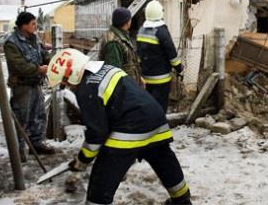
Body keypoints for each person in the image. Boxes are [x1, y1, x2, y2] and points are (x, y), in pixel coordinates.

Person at [47, 48, 192, 205]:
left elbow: (96, 134)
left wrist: (81, 161)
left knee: (103, 175)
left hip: (131, 127)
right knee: (163, 160)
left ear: (73, 72)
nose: (66, 85)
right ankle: (182, 200)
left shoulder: (86, 87)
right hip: (155, 118)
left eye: (65, 80)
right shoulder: (107, 69)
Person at [4, 11, 55, 162]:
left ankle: (37, 144)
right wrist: (38, 69)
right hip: (22, 86)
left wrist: (52, 62)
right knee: (21, 118)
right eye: (33, 23)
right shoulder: (11, 42)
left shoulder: (34, 38)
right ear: (23, 25)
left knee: (38, 115)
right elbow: (18, 66)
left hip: (35, 84)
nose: (36, 26)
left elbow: (44, 54)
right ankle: (18, 150)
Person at [137, 0, 183, 112]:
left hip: (146, 78)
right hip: (161, 79)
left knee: (149, 106)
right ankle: (160, 128)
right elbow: (171, 52)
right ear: (160, 13)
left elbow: (139, 54)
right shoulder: (161, 31)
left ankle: (150, 126)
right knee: (160, 108)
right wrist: (179, 67)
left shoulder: (141, 30)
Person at [98, 7, 142, 84]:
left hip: (130, 84)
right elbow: (114, 74)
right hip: (125, 89)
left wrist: (139, 78)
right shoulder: (113, 43)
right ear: (127, 22)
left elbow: (130, 62)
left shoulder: (123, 35)